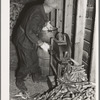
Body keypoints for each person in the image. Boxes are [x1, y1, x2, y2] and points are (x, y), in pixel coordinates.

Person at [12, 0, 58, 99]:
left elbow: (35, 21)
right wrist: (41, 43)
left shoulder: (39, 8)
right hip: (23, 39)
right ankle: (19, 80)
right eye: (53, 9)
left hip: (28, 38)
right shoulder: (37, 14)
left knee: (34, 57)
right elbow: (30, 32)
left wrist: (45, 24)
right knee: (27, 62)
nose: (52, 10)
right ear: (49, 8)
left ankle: (37, 76)